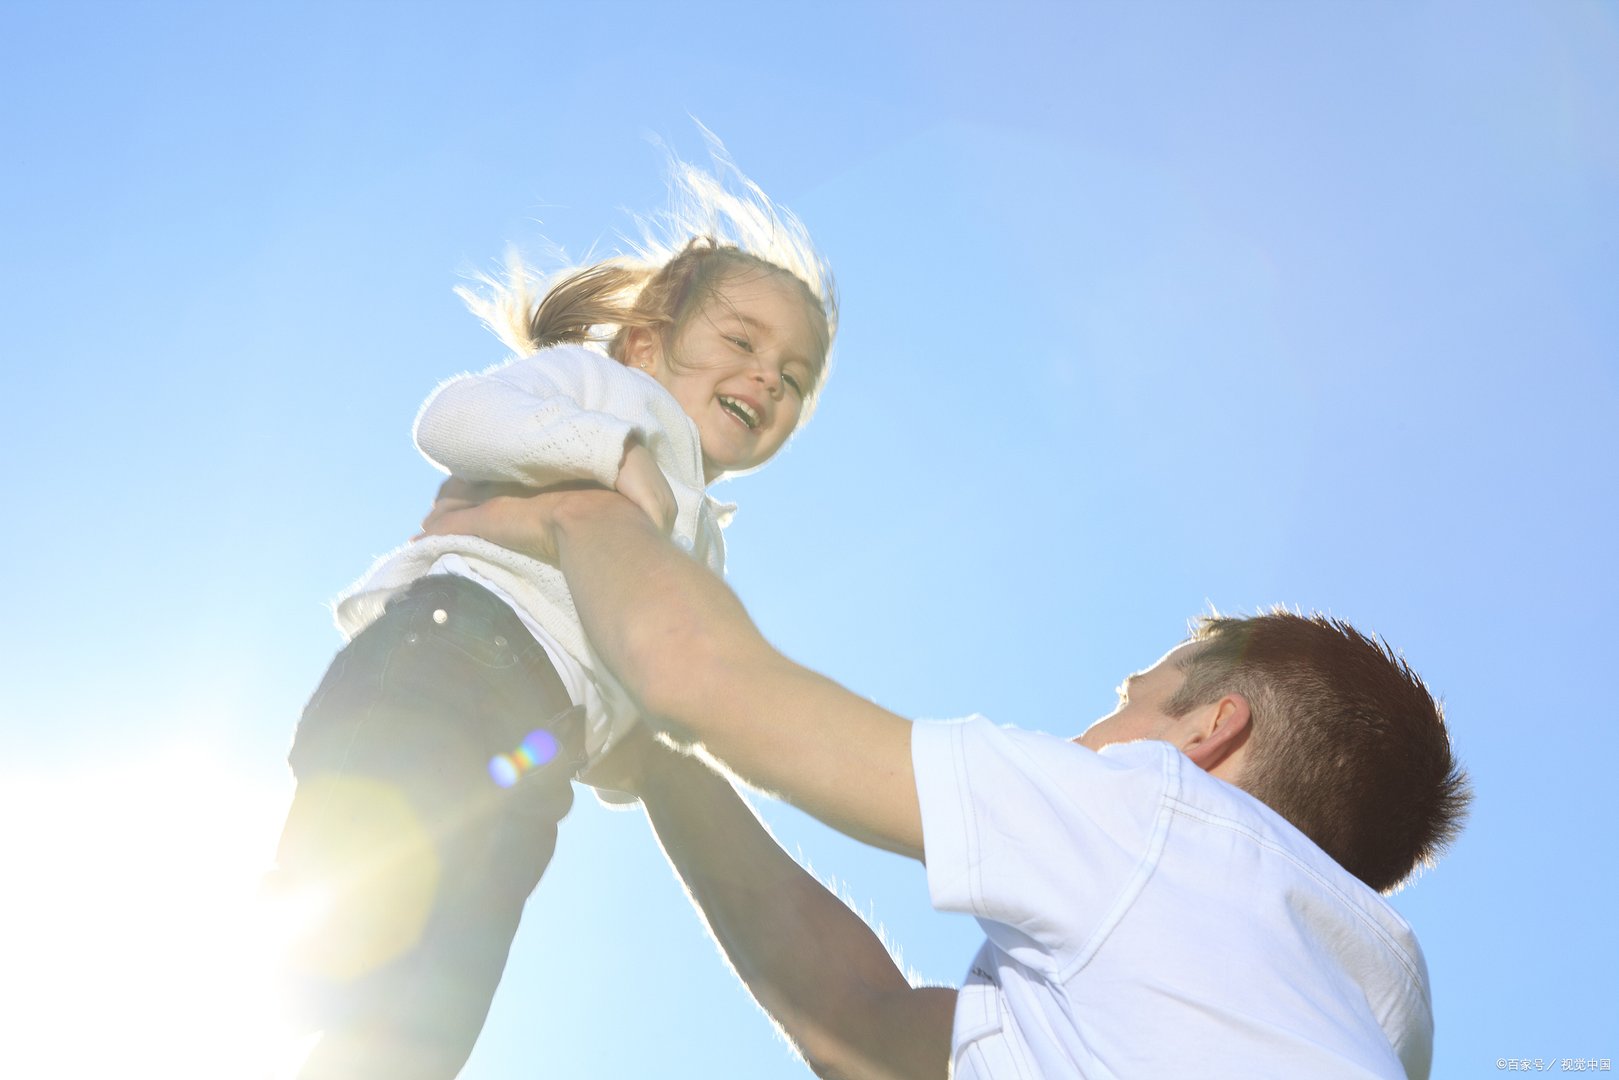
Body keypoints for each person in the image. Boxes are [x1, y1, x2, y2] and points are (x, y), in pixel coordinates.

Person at [419, 485, 1472, 1079]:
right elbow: (859, 1020)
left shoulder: (1155, 822)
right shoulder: (1357, 1015)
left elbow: (701, 677)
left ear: (1206, 731)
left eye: (1128, 697)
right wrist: (656, 768)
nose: (1093, 733)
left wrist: (585, 515)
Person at [267, 146, 837, 1079]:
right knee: (355, 901)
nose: (769, 378)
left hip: (537, 762)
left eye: (795, 375)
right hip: (449, 658)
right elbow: (451, 418)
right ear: (650, 340)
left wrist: (635, 735)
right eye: (742, 342)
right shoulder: (600, 391)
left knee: (437, 1004)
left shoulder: (705, 543)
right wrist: (609, 454)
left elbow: (651, 668)